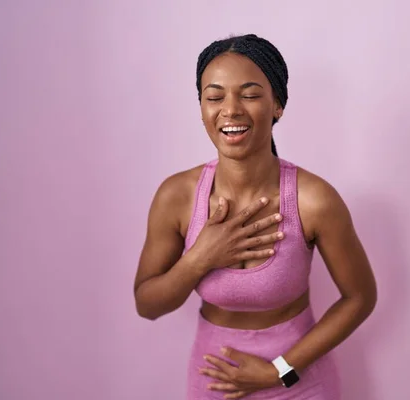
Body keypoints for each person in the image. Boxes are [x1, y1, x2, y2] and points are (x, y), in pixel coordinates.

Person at [134, 33, 377, 399]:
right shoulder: (176, 196)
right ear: (201, 108)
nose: (230, 109)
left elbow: (360, 297)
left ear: (277, 104)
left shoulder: (314, 200)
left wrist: (279, 371)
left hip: (300, 383)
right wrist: (202, 256)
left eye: (249, 95)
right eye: (214, 97)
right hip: (215, 381)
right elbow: (147, 305)